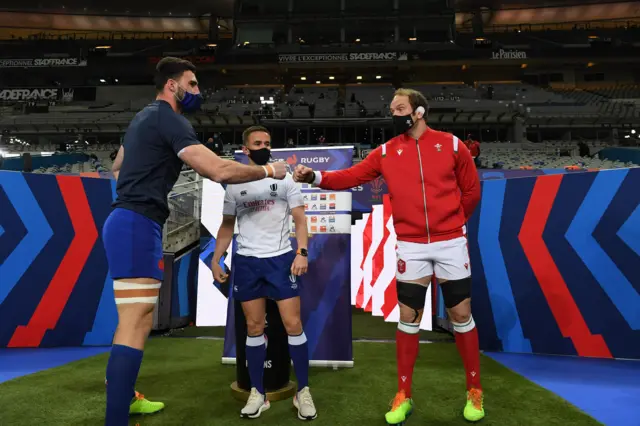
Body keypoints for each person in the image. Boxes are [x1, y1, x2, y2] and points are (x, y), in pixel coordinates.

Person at [102, 58, 286, 426]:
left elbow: (118, 167)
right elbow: (218, 170)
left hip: (133, 220)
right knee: (135, 321)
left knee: (134, 320)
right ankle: (115, 417)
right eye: (194, 83)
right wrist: (269, 170)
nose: (198, 91)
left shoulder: (142, 118)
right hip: (137, 223)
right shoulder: (169, 118)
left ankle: (125, 396)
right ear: (173, 85)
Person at [293, 88, 483, 424]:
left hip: (451, 242)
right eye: (391, 108)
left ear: (419, 111)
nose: (391, 114)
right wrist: (316, 177)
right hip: (410, 246)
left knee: (460, 314)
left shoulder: (452, 145)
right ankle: (403, 395)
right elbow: (351, 176)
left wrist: (452, 223)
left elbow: (471, 191)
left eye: (399, 108)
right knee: (408, 319)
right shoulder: (385, 152)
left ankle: (474, 392)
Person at [211, 125, 317, 421]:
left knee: (292, 324)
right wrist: (216, 259)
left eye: (268, 143)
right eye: (257, 143)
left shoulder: (285, 178)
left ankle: (303, 391)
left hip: (280, 260)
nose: (264, 146)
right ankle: (258, 392)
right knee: (254, 326)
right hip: (246, 262)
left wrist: (302, 252)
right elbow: (227, 225)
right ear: (245, 149)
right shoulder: (233, 183)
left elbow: (299, 220)